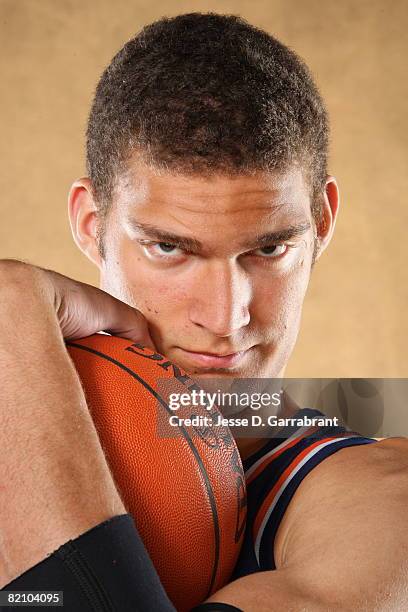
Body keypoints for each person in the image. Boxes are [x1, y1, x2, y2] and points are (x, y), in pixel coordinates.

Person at [1, 12, 407, 611]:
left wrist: (13, 309)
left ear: (321, 225)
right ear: (93, 226)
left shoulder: (379, 506)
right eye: (169, 248)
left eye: (269, 249)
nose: (225, 318)